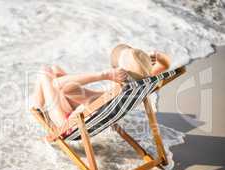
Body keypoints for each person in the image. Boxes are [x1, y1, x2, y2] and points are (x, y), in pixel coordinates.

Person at [32, 44, 171, 134]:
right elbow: (166, 64)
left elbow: (57, 85)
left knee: (45, 72)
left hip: (66, 126)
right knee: (55, 70)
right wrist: (144, 58)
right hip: (82, 115)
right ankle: (38, 110)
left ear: (117, 69)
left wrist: (103, 75)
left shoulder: (110, 94)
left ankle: (36, 112)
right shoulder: (142, 84)